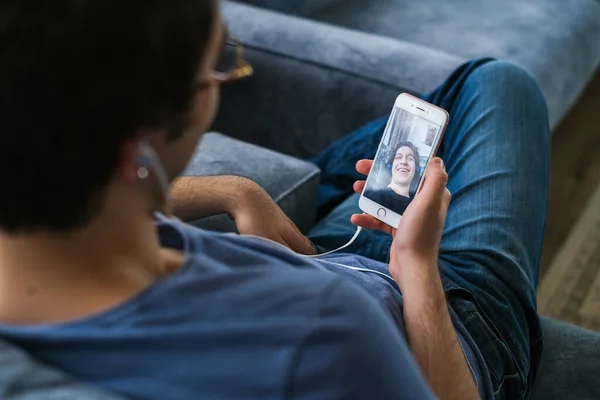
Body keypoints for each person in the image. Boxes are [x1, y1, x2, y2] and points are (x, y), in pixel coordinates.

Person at [0, 2, 550, 400]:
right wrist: (418, 266)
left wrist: (234, 189)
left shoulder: (58, 218)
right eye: (213, 73)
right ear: (133, 151)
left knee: (439, 120)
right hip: (446, 322)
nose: (220, 84)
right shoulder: (321, 337)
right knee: (496, 83)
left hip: (324, 260)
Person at [363, 141, 422, 216]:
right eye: (398, 157)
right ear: (390, 165)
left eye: (410, 158)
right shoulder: (372, 195)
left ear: (416, 168)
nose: (404, 162)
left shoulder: (416, 207)